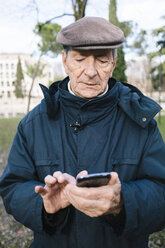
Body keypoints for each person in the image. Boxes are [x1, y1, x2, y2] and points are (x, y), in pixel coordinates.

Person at [0, 16, 165, 248]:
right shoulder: (33, 124)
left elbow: (161, 190)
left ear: (114, 63)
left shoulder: (142, 123)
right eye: (79, 59)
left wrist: (123, 201)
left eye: (101, 61)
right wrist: (43, 206)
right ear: (65, 61)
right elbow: (12, 186)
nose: (90, 71)